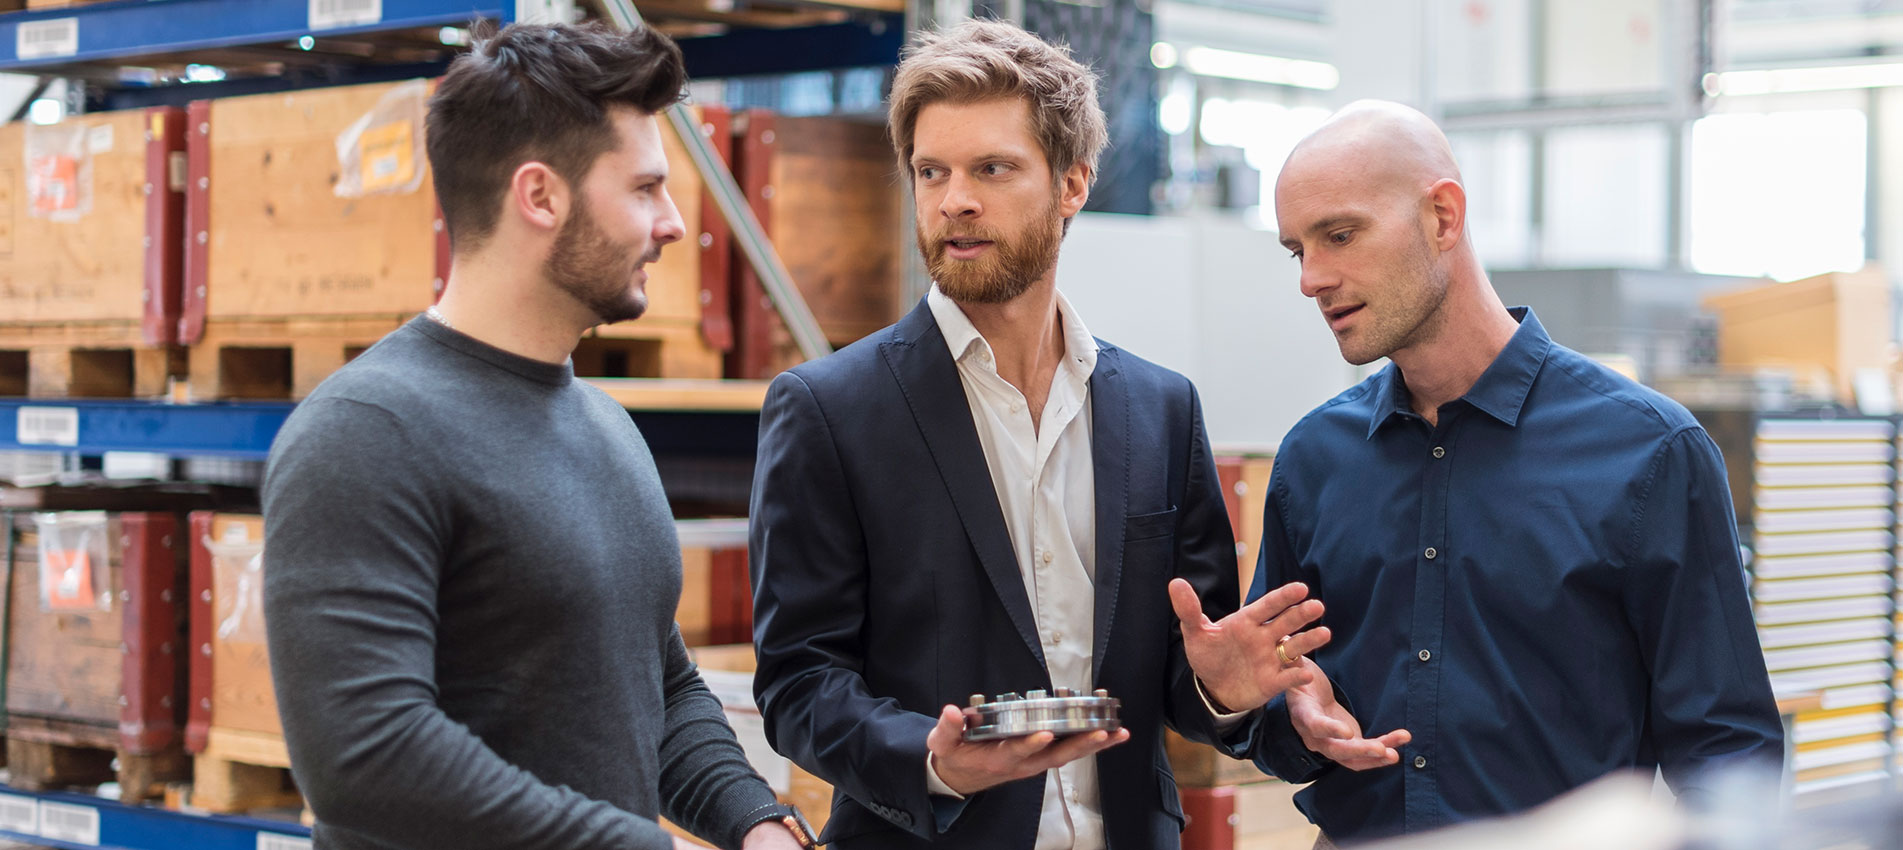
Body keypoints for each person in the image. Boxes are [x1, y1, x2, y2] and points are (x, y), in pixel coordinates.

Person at [746, 19, 1325, 850]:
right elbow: (800, 684)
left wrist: (1219, 689)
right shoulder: (829, 408)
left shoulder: (1160, 410)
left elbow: (1179, 670)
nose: (954, 200)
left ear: (1072, 183)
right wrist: (934, 761)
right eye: (930, 172)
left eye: (992, 168)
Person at [262, 22, 812, 850]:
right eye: (643, 189)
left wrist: (755, 823)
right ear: (540, 195)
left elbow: (655, 688)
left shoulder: (607, 428)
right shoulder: (366, 432)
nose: (670, 222)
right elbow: (366, 759)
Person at [1207, 100, 1783, 846]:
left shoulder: (1649, 453)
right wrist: (1274, 710)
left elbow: (1727, 754)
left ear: (1442, 217)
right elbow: (1288, 722)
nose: (1312, 279)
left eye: (1339, 236)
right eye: (1297, 251)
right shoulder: (1315, 461)